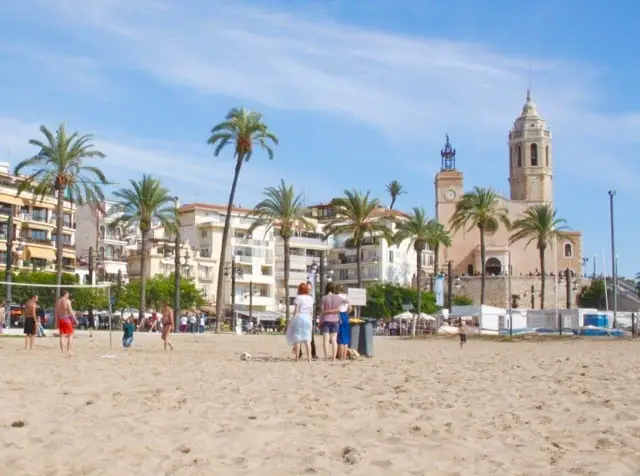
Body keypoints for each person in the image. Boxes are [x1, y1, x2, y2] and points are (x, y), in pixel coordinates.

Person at [286, 283, 314, 362]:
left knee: (297, 339)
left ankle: (297, 358)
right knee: (307, 340)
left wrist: (292, 319)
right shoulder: (310, 298)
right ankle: (309, 359)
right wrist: (311, 320)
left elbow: (296, 310)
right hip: (308, 317)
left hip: (300, 317)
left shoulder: (298, 297)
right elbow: (311, 311)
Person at [320, 283, 344, 361]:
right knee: (334, 339)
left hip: (326, 320)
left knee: (326, 340)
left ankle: (326, 357)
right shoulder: (338, 297)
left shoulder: (324, 298)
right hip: (336, 320)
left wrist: (328, 311)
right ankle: (333, 358)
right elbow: (340, 308)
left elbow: (322, 311)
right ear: (334, 289)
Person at [55, 290, 77, 355]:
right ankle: (69, 351)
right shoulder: (67, 301)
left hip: (60, 319)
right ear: (66, 294)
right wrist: (75, 319)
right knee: (71, 334)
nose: (68, 295)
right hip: (66, 319)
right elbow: (70, 310)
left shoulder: (57, 302)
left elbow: (56, 312)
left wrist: (56, 321)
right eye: (68, 294)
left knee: (62, 335)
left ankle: (62, 351)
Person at [335, 285, 352, 360]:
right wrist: (346, 313)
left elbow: (336, 308)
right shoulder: (346, 297)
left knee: (340, 339)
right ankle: (344, 357)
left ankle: (341, 357)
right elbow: (350, 308)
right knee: (346, 339)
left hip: (339, 315)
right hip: (345, 315)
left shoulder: (336, 297)